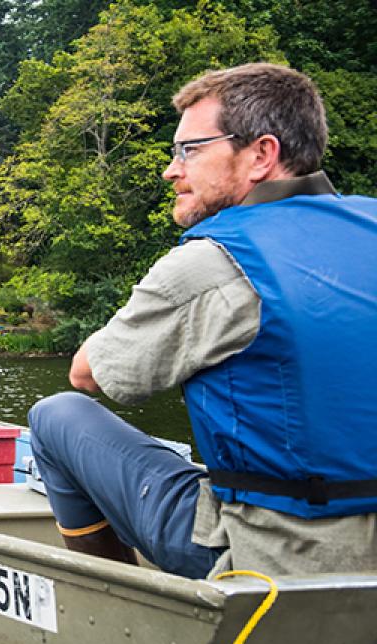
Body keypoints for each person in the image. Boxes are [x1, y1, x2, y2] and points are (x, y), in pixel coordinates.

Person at [28, 62, 377, 578]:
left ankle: (117, 607)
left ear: (261, 154)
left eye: (190, 149)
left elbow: (89, 374)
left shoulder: (215, 260)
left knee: (56, 415)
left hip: (269, 555)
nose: (172, 169)